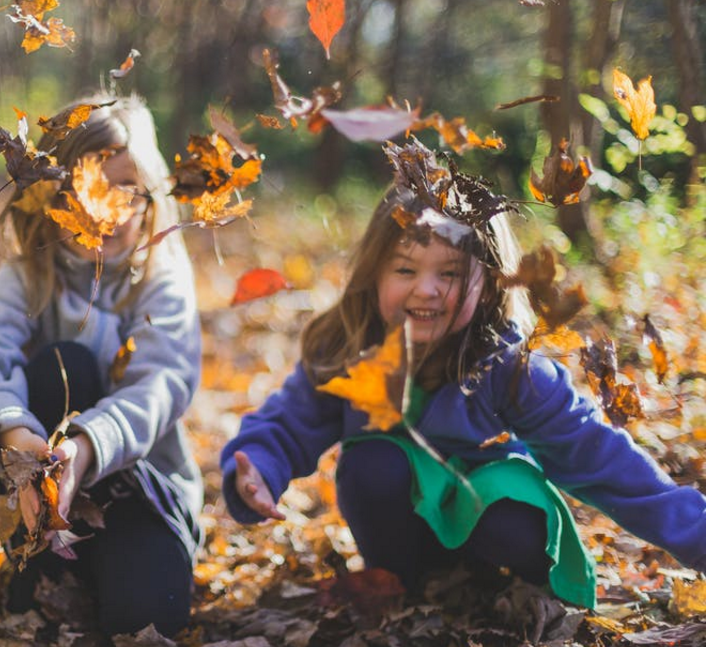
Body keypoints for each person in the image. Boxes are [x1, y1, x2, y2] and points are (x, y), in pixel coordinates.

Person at [220, 175, 706, 609]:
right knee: (371, 464)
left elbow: (602, 459)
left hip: (498, 528)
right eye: (405, 270)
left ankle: (499, 588)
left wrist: (697, 536)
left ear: (490, 285)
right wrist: (260, 467)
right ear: (375, 274)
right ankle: (403, 584)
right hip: (401, 527)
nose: (425, 290)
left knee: (506, 504)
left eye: (449, 274)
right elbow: (288, 422)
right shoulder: (349, 348)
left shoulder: (511, 367)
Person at [0, 93, 202, 636]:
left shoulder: (160, 278)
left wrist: (85, 449)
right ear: (47, 196)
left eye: (123, 189)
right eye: (82, 187)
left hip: (141, 496)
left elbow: (162, 383)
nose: (103, 209)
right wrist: (15, 433)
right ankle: (41, 559)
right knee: (63, 363)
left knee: (147, 619)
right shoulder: (27, 277)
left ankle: (125, 566)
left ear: (149, 195)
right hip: (39, 502)